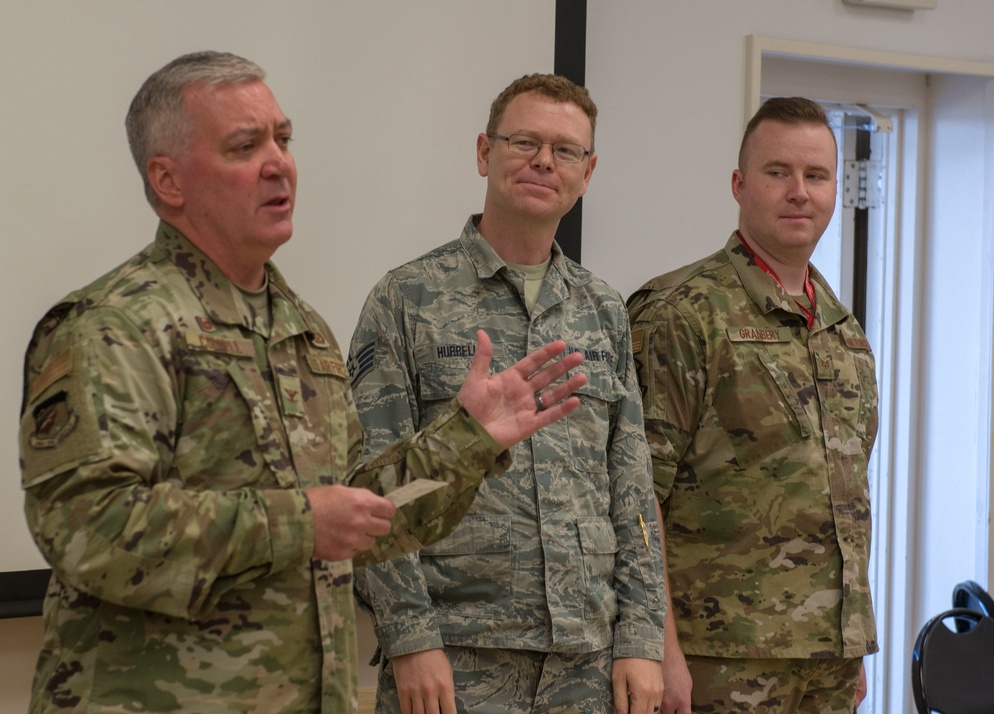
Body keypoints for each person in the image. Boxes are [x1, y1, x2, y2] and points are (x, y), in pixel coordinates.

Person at [18, 51, 588, 714]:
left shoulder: (303, 331)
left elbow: (364, 515)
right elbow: (88, 527)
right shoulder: (113, 325)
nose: (278, 163)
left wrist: (467, 443)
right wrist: (297, 522)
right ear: (168, 180)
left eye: (283, 139)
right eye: (244, 145)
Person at [348, 74, 667, 714]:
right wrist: (410, 638)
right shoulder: (406, 300)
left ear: (588, 171)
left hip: (587, 660)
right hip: (456, 657)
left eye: (566, 150)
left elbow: (630, 483)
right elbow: (368, 489)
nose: (544, 161)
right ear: (483, 153)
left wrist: (642, 636)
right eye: (524, 141)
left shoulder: (604, 308)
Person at [626, 96, 879, 714]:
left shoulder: (844, 333)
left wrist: (846, 643)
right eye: (778, 173)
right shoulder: (681, 313)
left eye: (815, 175)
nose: (799, 192)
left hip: (828, 662)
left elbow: (844, 494)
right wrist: (661, 651)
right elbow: (635, 497)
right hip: (716, 657)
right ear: (740, 185)